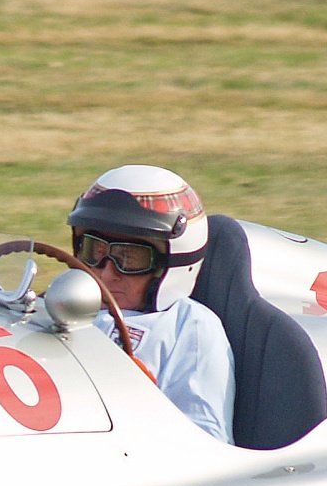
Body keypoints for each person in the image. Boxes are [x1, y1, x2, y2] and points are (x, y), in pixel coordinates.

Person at [69, 165, 237, 443]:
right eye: (94, 250)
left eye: (129, 258)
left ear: (170, 265)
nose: (107, 273)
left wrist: (145, 404)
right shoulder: (59, 304)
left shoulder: (189, 327)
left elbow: (208, 444)